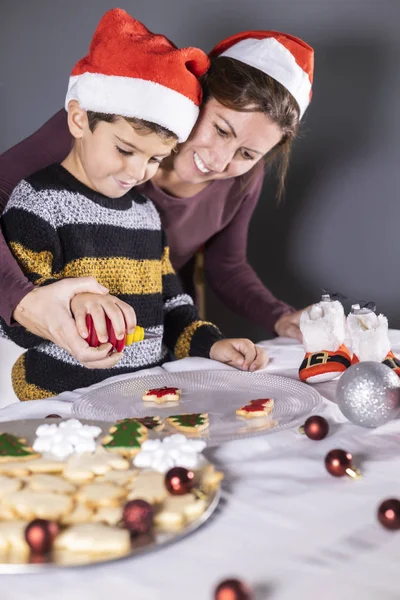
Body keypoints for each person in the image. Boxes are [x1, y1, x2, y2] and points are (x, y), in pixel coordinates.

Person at [0, 27, 314, 365]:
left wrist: (278, 317)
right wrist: (24, 300)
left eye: (248, 154)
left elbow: (227, 266)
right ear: (196, 96)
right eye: (221, 130)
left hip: (147, 342)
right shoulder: (108, 120)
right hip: (49, 335)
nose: (220, 160)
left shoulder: (242, 180)